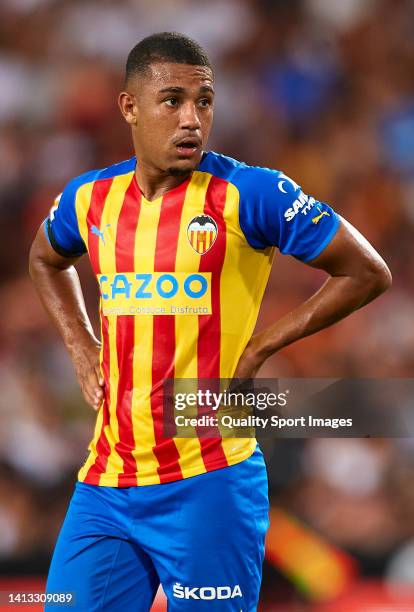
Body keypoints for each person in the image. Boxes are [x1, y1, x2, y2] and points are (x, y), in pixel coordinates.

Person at [29, 32, 391, 611]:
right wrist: (81, 342)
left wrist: (262, 347)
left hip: (208, 480)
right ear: (130, 107)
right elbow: (46, 259)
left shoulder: (252, 192)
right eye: (172, 100)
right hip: (106, 485)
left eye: (205, 100)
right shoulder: (90, 198)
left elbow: (368, 271)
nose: (192, 119)